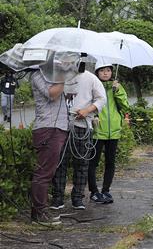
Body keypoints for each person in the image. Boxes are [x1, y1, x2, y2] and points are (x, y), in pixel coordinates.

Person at [50, 59, 106, 211]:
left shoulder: (90, 78)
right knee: (59, 162)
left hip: (82, 126)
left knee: (81, 163)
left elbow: (102, 98)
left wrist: (87, 110)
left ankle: (77, 198)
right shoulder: (58, 77)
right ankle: (57, 198)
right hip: (60, 126)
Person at [27, 67, 69, 226]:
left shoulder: (52, 75)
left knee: (48, 171)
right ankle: (39, 214)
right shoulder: (37, 74)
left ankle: (39, 211)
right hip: (48, 128)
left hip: (57, 127)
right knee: (44, 172)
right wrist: (64, 76)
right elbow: (52, 94)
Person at [88, 63, 129, 204]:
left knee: (110, 162)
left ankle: (106, 191)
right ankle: (94, 192)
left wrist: (117, 92)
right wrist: (93, 116)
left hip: (114, 132)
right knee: (93, 162)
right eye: (102, 71)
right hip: (97, 130)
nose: (106, 73)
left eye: (108, 70)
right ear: (97, 72)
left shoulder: (117, 87)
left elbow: (125, 106)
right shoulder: (93, 85)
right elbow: (88, 103)